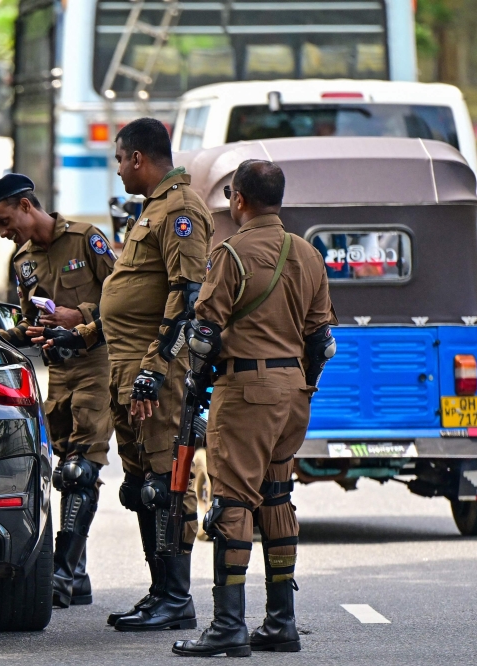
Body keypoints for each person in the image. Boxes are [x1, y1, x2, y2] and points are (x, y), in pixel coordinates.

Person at [41, 118, 214, 631]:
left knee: (165, 485)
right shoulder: (152, 211)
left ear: (138, 157)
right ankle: (159, 592)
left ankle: (177, 599)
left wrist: (155, 371)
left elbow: (188, 299)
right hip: (125, 370)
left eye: (119, 159)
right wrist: (86, 335)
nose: (117, 170)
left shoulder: (180, 211)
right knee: (140, 487)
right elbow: (128, 300)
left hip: (152, 377)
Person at [172, 159, 336, 657]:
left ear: (238, 199)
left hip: (247, 388)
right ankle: (281, 622)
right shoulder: (308, 254)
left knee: (232, 502)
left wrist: (193, 387)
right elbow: (321, 339)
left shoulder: (233, 253)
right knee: (278, 496)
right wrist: (300, 385)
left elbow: (204, 333)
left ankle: (227, 626)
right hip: (294, 392)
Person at [0, 173, 115, 609]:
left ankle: (62, 574)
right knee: (62, 472)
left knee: (81, 471)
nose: (2, 232)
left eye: (4, 220)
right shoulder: (22, 261)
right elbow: (26, 320)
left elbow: (126, 300)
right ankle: (81, 574)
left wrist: (81, 316)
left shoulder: (87, 240)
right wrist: (0, 337)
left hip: (96, 365)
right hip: (58, 374)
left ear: (26, 205)